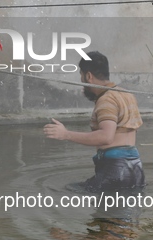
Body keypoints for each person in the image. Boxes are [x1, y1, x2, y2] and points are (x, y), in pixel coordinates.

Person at [43, 51, 145, 191]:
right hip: (136, 169)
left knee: (72, 192)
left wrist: (66, 134)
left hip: (116, 169)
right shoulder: (126, 94)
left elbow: (106, 137)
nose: (82, 82)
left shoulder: (106, 100)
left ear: (88, 76)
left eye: (81, 76)